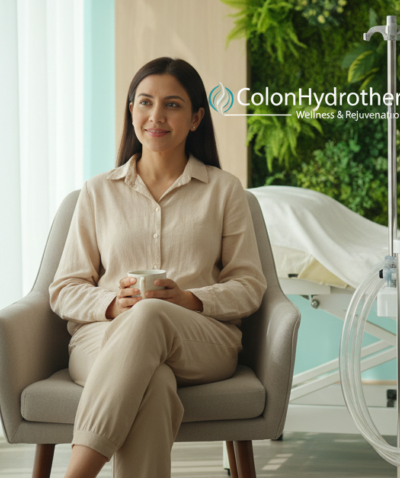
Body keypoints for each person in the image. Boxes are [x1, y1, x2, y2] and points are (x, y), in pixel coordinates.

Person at [49, 57, 267, 477]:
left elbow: (249, 285)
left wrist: (189, 299)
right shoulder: (97, 192)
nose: (156, 116)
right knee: (155, 383)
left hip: (200, 340)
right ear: (131, 110)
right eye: (145, 102)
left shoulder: (224, 190)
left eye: (172, 105)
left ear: (196, 118)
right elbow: (64, 288)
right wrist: (113, 304)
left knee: (150, 314)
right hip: (103, 338)